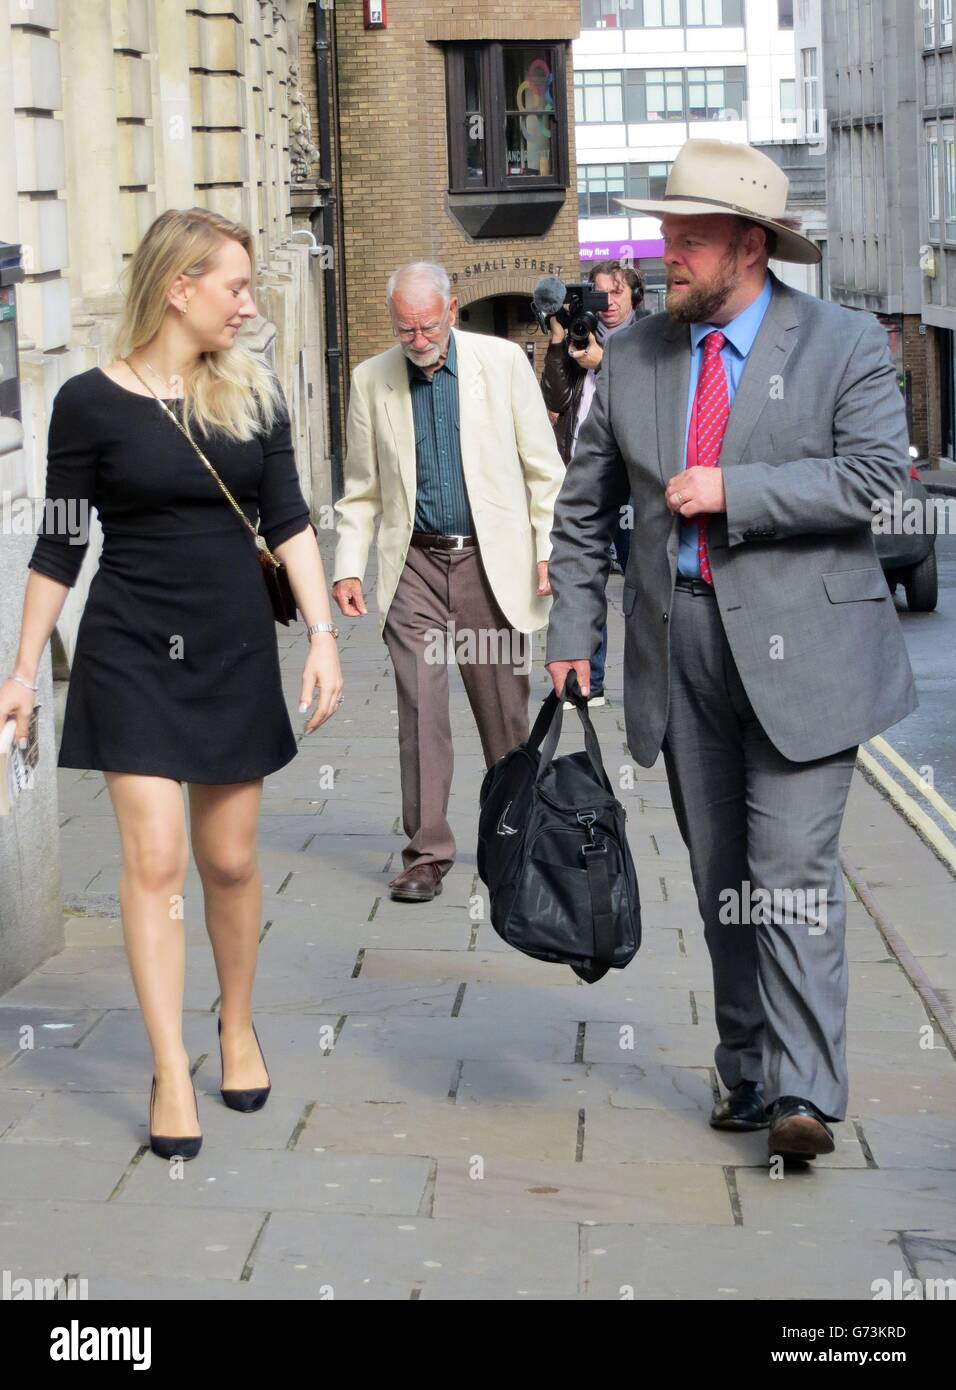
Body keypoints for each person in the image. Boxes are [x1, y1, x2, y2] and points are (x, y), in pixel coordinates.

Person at [544, 140, 918, 1163]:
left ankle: (804, 1092)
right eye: (667, 232)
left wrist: (735, 492)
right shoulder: (631, 358)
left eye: (690, 238)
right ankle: (745, 1067)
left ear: (748, 249)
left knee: (788, 867)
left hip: (811, 656)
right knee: (721, 879)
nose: (668, 253)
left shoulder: (842, 343)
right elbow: (583, 515)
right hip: (682, 651)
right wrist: (570, 632)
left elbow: (883, 480)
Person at [0, 207, 344, 1161]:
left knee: (229, 863)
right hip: (131, 652)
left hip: (232, 649)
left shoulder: (256, 392)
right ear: (177, 287)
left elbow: (290, 521)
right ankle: (165, 1064)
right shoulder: (87, 403)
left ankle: (236, 1024)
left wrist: (320, 635)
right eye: (234, 286)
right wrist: (23, 670)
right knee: (152, 866)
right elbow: (60, 541)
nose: (247, 303)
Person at [332, 261, 564, 903]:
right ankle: (426, 852)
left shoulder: (503, 364)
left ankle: (517, 838)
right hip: (413, 569)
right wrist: (348, 563)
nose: (416, 339)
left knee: (504, 713)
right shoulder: (370, 379)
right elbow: (360, 492)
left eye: (427, 325)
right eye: (404, 330)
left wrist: (549, 552)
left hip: (490, 566)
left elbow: (544, 473)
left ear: (453, 310)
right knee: (420, 708)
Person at [541, 261, 648, 705]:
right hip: (582, 478)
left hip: (629, 487)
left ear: (634, 296)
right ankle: (591, 681)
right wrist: (558, 341)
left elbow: (645, 408)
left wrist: (605, 365)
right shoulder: (581, 335)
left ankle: (648, 681)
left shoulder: (647, 344)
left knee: (641, 587)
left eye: (616, 292)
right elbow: (554, 398)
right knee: (583, 580)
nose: (608, 303)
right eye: (599, 293)